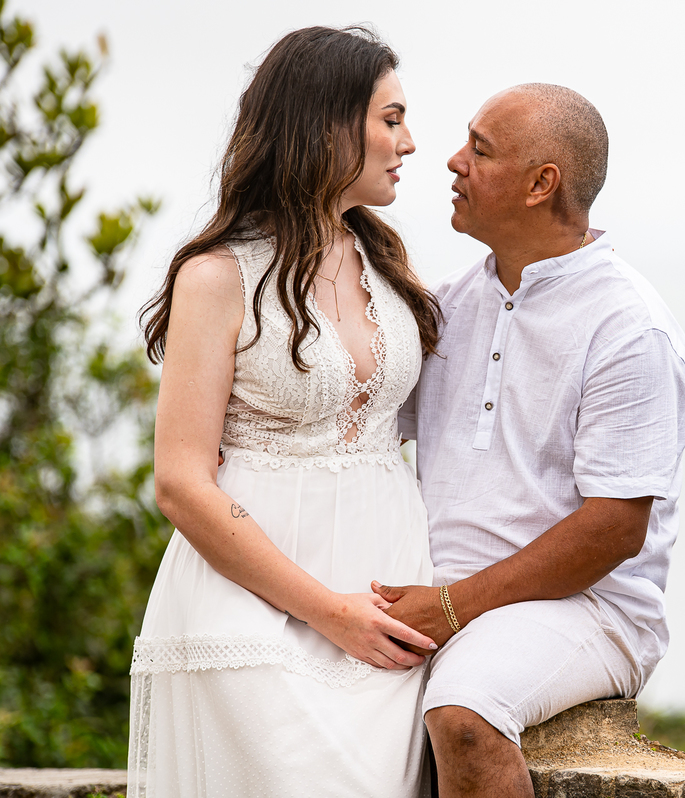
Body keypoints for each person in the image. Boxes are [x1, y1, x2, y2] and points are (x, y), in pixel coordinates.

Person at [132, 27, 441, 797]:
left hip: (389, 599)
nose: (410, 142)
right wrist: (330, 613)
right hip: (249, 608)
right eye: (391, 118)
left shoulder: (390, 268)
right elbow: (180, 483)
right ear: (329, 124)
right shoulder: (217, 277)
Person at [377, 83, 685, 798]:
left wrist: (453, 606)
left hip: (588, 608)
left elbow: (613, 530)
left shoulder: (627, 328)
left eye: (480, 150)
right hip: (443, 596)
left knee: (464, 712)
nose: (452, 161)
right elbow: (361, 427)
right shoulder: (447, 306)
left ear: (541, 184)